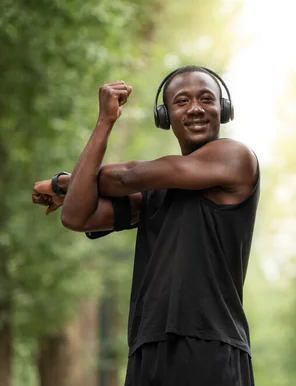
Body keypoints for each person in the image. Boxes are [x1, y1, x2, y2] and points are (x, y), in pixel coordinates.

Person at [32, 65, 259, 385]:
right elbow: (75, 216)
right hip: (146, 350)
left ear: (222, 110)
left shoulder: (234, 158)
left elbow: (126, 176)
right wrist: (104, 122)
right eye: (182, 101)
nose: (195, 108)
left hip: (210, 348)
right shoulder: (155, 196)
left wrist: (63, 183)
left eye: (206, 99)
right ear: (165, 116)